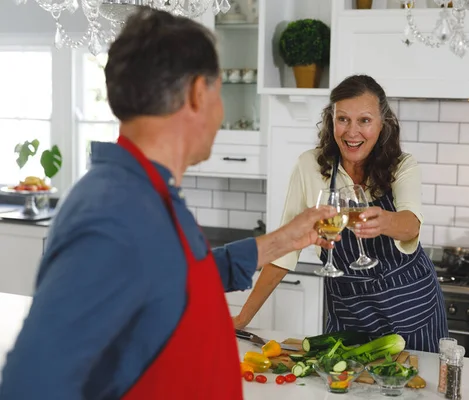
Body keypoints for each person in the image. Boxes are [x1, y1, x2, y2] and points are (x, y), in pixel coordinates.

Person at [0, 8, 339, 400]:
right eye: (220, 90)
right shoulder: (112, 212)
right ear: (199, 93)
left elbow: (181, 279)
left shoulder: (146, 194)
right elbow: (31, 384)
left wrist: (286, 239)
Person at [234, 74, 448, 352]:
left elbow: (411, 226)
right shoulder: (309, 166)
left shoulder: (402, 166)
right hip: (350, 310)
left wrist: (385, 222)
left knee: (416, 387)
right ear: (330, 120)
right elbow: (285, 249)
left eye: (365, 120)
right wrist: (242, 318)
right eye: (343, 119)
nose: (352, 132)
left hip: (411, 307)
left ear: (383, 124)